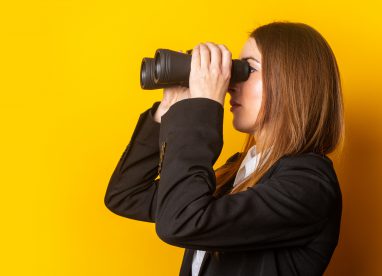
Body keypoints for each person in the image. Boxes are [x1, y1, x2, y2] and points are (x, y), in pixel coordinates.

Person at [105, 21, 344, 276]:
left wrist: (201, 109)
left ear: (293, 82)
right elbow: (127, 194)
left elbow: (181, 221)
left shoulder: (308, 184)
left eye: (248, 69)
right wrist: (168, 110)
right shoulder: (239, 169)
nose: (230, 83)